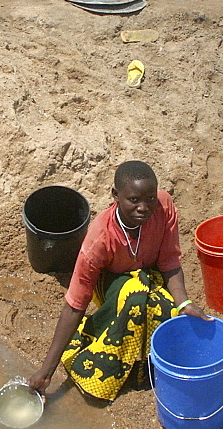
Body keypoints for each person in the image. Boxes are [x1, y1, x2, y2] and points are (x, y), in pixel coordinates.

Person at [29, 161, 207, 402]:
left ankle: (144, 366)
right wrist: (46, 371)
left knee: (166, 308)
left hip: (148, 275)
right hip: (111, 283)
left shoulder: (163, 207)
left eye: (150, 199)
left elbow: (169, 261)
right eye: (134, 200)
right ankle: (112, 356)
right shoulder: (100, 237)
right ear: (116, 196)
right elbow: (76, 303)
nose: (144, 208)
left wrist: (184, 303)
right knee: (135, 298)